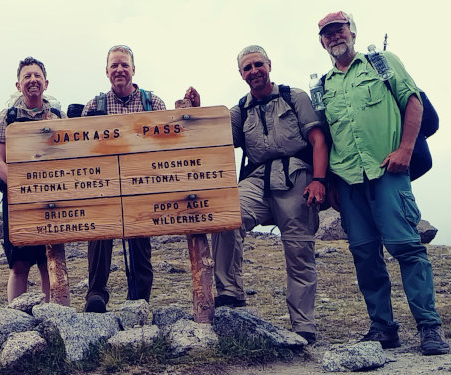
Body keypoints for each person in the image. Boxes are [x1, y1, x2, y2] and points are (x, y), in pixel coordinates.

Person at [317, 11, 449, 355]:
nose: (334, 37)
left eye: (339, 30)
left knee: (407, 248)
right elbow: (328, 136)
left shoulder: (381, 62)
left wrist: (406, 148)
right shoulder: (323, 86)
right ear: (322, 42)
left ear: (352, 32)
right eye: (327, 34)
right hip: (347, 180)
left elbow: (413, 101)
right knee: (364, 255)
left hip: (387, 171)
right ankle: (383, 328)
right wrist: (329, 182)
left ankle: (429, 328)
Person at [191, 45, 328, 344]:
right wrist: (199, 111)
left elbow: (318, 139)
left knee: (299, 249)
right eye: (247, 68)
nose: (254, 71)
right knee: (227, 215)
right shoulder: (240, 110)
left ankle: (304, 325)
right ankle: (230, 292)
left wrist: (319, 180)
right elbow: (215, 135)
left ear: (269, 64)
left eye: (258, 65)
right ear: (241, 74)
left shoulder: (295, 97)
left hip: (295, 177)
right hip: (257, 179)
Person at [82, 45, 166, 313]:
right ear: (107, 71)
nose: (119, 70)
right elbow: (82, 152)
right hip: (103, 185)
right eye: (114, 65)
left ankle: (140, 300)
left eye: (124, 65)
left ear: (133, 69)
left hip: (142, 183)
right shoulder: (93, 106)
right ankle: (96, 295)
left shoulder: (154, 103)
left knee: (141, 240)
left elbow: (167, 144)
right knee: (99, 236)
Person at [0, 57, 66, 303]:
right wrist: (23, 189)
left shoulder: (59, 115)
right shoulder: (7, 117)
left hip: (52, 200)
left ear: (46, 83)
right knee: (19, 264)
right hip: (17, 201)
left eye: (37, 76)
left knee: (49, 261)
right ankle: (16, 320)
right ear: (18, 84)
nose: (32, 80)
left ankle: (52, 318)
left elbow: (69, 158)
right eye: (27, 76)